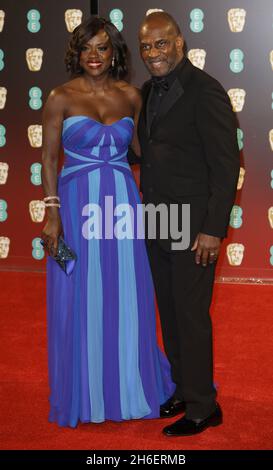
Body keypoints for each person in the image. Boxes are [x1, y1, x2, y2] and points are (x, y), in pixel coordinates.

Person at [41, 16, 174, 428]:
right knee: (78, 294)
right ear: (76, 53)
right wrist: (51, 214)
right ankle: (85, 389)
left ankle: (129, 384)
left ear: (114, 52)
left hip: (121, 207)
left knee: (125, 292)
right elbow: (47, 158)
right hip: (78, 207)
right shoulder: (60, 97)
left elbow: (146, 152)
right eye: (86, 48)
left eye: (102, 47)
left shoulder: (132, 96)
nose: (94, 56)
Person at [138, 11, 240, 436]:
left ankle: (203, 406)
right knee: (171, 311)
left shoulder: (206, 90)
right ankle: (183, 388)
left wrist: (213, 229)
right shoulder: (146, 91)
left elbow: (226, 164)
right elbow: (152, 150)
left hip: (195, 225)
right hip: (159, 219)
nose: (154, 53)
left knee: (191, 314)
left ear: (179, 43)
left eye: (161, 44)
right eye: (146, 47)